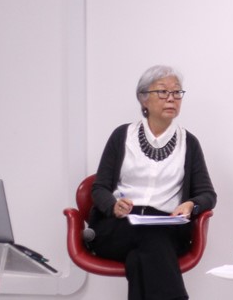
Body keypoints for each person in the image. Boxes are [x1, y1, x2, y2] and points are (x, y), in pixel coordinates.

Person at [89, 65, 216, 300]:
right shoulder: (122, 136)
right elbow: (99, 188)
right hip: (119, 228)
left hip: (166, 229)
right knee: (151, 239)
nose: (171, 98)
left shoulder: (189, 143)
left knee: (140, 257)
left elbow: (208, 195)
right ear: (143, 99)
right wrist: (113, 206)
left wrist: (191, 205)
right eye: (163, 91)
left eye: (177, 92)